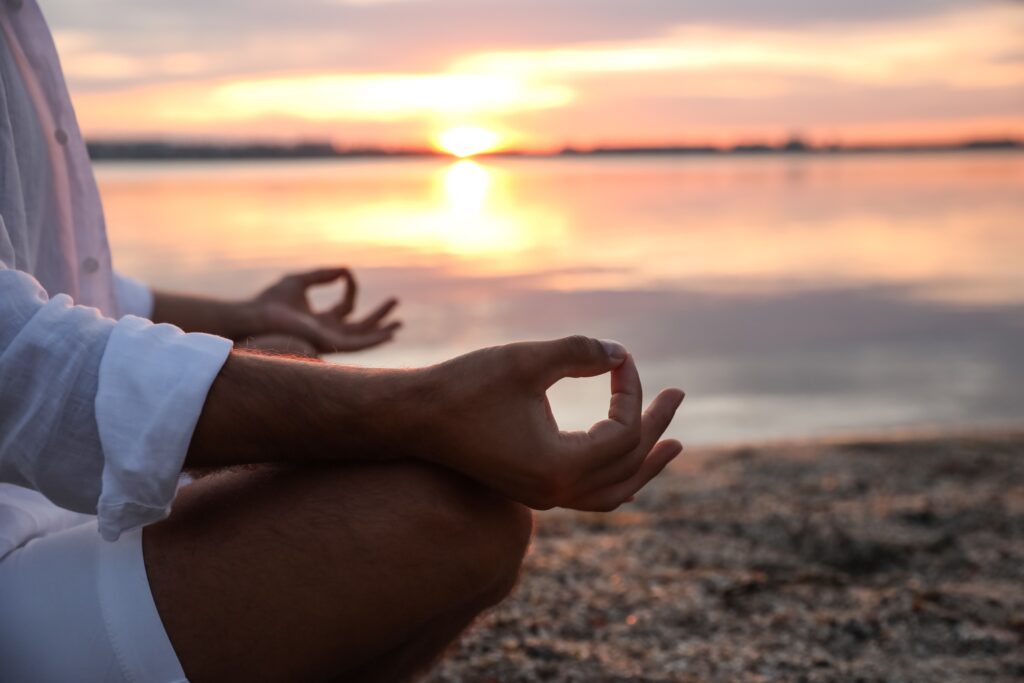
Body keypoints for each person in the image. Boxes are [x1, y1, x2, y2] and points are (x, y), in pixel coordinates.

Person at [0, 2, 685, 681]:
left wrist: (249, 312)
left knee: (280, 349)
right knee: (455, 509)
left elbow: (57, 287)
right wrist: (429, 406)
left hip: (44, 504)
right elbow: (21, 363)